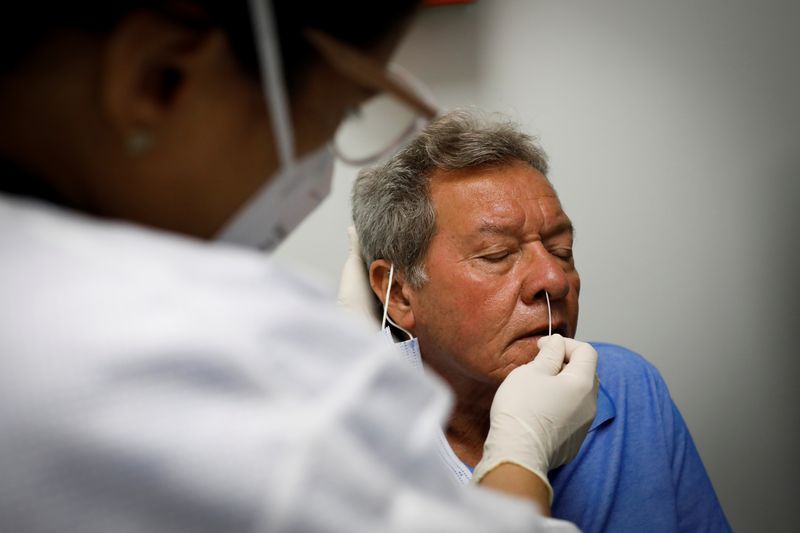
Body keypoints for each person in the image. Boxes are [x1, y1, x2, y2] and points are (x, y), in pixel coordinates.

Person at [0, 2, 599, 532]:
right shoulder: (228, 352)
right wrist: (521, 451)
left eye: (563, 250)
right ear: (158, 77)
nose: (552, 280)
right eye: (339, 111)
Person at [346, 109, 732, 532]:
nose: (553, 280)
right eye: (497, 255)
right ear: (399, 292)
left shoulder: (629, 388)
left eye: (561, 250)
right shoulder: (345, 444)